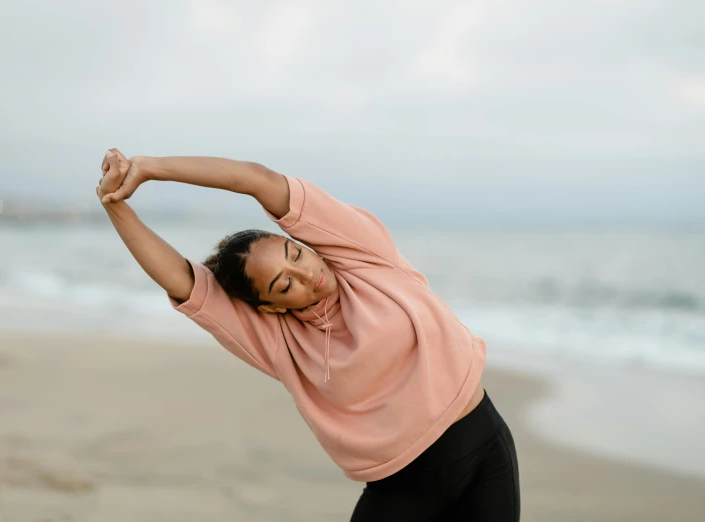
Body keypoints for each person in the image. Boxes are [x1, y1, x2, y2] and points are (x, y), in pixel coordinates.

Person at [97, 149, 520, 521]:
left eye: (296, 254)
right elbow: (180, 279)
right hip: (404, 483)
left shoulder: (362, 257)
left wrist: (149, 168)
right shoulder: (277, 340)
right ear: (271, 306)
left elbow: (257, 180)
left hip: (485, 443)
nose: (309, 276)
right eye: (284, 285)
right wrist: (114, 203)